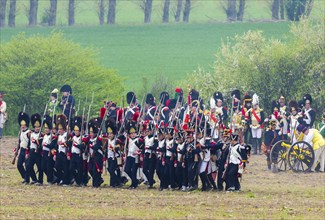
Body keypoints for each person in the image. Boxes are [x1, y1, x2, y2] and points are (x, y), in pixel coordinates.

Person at [25, 113, 43, 185]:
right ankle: (34, 179)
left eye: (38, 127)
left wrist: (37, 142)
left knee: (40, 167)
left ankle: (40, 180)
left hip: (38, 152)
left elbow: (41, 144)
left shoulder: (41, 134)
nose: (37, 128)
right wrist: (27, 152)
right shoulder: (31, 134)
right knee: (28, 166)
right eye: (36, 127)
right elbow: (29, 144)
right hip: (32, 151)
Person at [15, 112, 31, 183]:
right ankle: (25, 177)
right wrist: (17, 150)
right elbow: (19, 142)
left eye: (24, 125)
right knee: (19, 165)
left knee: (27, 166)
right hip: (21, 150)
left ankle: (27, 179)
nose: (22, 126)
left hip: (27, 150)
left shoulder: (29, 132)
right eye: (21, 125)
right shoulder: (20, 132)